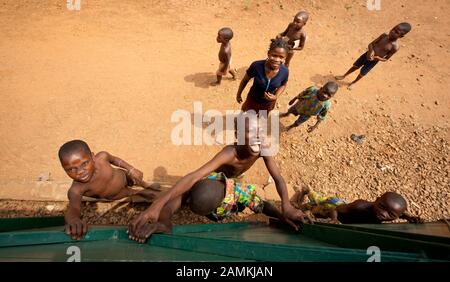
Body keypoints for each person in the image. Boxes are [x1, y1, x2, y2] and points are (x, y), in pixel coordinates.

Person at [128, 113, 312, 243]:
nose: (257, 138)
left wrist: (286, 206)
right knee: (187, 194)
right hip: (217, 182)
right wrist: (155, 207)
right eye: (250, 133)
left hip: (229, 184)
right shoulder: (229, 153)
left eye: (261, 133)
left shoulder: (262, 146)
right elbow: (196, 175)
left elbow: (278, 178)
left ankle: (280, 217)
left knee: (247, 199)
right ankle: (164, 222)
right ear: (237, 136)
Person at [58, 140, 160, 240]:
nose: (80, 172)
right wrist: (73, 219)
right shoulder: (76, 189)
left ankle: (145, 185)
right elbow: (73, 208)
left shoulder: (102, 157)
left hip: (123, 176)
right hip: (116, 194)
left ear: (93, 157)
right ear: (64, 169)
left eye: (84, 163)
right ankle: (139, 192)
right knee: (129, 192)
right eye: (71, 169)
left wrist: (131, 169)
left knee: (135, 179)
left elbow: (115, 160)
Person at [335, 22, 412, 90]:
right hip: (366, 55)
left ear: (401, 36)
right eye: (393, 28)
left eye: (396, 32)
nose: (392, 31)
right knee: (355, 66)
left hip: (373, 62)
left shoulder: (395, 47)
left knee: (362, 73)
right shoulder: (384, 36)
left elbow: (386, 59)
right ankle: (344, 75)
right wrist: (371, 51)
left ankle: (354, 82)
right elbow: (371, 44)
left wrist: (377, 58)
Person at [293, 186, 423, 224]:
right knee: (317, 206)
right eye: (382, 207)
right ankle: (306, 191)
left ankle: (309, 196)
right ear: (377, 200)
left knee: (319, 200)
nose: (384, 214)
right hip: (335, 207)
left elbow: (398, 213)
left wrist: (408, 217)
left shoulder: (389, 212)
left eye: (391, 214)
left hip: (344, 208)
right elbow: (335, 209)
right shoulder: (360, 206)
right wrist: (334, 219)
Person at [236, 38, 290, 114]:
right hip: (253, 98)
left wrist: (276, 96)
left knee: (262, 116)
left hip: (269, 102)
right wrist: (239, 94)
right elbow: (245, 80)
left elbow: (283, 85)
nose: (277, 59)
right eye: (274, 55)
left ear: (285, 57)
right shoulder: (256, 66)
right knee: (246, 108)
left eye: (281, 57)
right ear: (268, 53)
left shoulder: (285, 71)